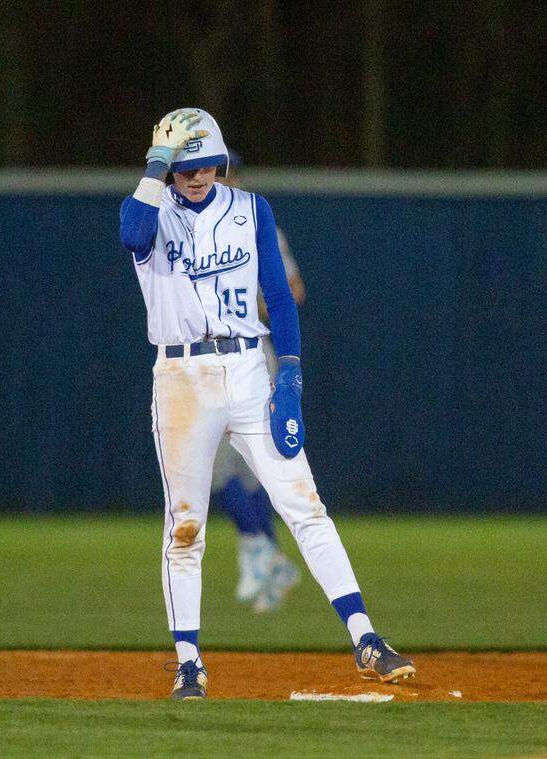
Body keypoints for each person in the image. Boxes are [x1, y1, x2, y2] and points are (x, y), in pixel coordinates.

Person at [118, 108, 414, 700]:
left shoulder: (251, 209)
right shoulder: (153, 212)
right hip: (182, 375)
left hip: (249, 368)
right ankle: (188, 662)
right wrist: (156, 162)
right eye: (184, 166)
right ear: (167, 169)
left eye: (205, 164)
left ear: (220, 161)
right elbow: (130, 232)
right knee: (185, 527)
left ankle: (366, 638)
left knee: (305, 507)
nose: (196, 175)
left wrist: (292, 379)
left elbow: (279, 296)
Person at [212, 150, 306, 613]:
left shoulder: (257, 223)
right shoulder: (194, 227)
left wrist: (247, 302)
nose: (221, 181)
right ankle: (268, 556)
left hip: (253, 357)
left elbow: (293, 292)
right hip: (210, 362)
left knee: (240, 471)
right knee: (228, 474)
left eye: (226, 173)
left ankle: (260, 551)